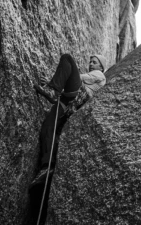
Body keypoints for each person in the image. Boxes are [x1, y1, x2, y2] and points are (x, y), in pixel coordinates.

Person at [30, 54, 107, 187]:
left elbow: (82, 78)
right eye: (90, 62)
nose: (91, 64)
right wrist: (50, 82)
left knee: (67, 59)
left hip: (72, 97)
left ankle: (52, 91)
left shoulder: (100, 75)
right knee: (48, 127)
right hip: (67, 103)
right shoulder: (93, 76)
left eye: (94, 62)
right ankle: (47, 167)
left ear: (101, 66)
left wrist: (56, 82)